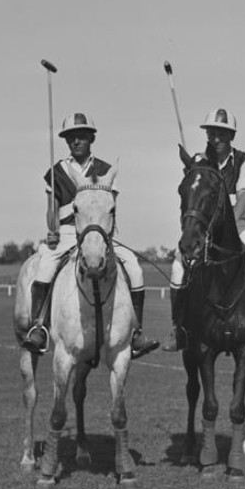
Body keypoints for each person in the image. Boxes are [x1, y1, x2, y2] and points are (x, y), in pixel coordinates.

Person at [21, 112, 160, 359]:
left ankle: (136, 333)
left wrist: (104, 234)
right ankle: (39, 327)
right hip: (66, 232)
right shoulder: (56, 172)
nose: (76, 142)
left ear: (90, 139)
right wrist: (52, 231)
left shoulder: (105, 170)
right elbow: (51, 209)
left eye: (81, 137)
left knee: (135, 269)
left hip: (100, 235)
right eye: (71, 138)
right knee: (44, 268)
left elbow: (111, 208)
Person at [162, 108, 245, 351]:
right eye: (211, 133)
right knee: (178, 269)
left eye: (222, 134)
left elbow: (243, 199)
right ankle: (179, 330)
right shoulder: (199, 161)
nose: (216, 139)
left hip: (239, 230)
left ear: (231, 136)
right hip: (203, 234)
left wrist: (229, 228)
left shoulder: (243, 161)